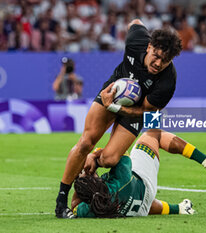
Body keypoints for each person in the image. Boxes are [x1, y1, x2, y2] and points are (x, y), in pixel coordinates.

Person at [55, 19, 183, 218]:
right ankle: (61, 201)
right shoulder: (136, 40)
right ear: (149, 46)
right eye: (156, 56)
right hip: (111, 93)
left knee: (110, 159)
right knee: (85, 142)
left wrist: (115, 108)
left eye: (164, 60)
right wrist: (111, 102)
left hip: (133, 110)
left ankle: (95, 160)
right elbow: (135, 22)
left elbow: (146, 111)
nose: (158, 63)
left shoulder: (168, 81)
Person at [71, 129, 206, 218]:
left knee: (131, 201)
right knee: (153, 134)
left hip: (138, 208)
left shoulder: (89, 209)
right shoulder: (120, 180)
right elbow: (117, 153)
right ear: (92, 179)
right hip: (144, 185)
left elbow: (74, 206)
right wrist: (94, 156)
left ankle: (180, 209)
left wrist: (79, 182)